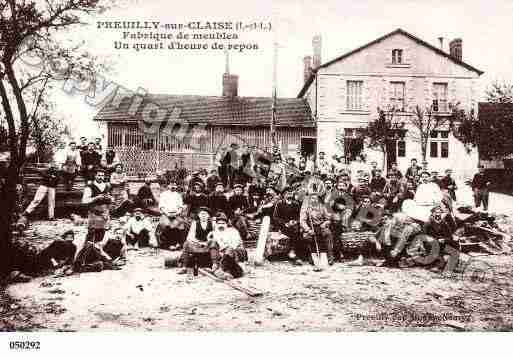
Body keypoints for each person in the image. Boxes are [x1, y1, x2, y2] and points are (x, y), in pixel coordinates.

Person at [8, 229, 77, 282]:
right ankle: (15, 272)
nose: (69, 242)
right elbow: (49, 255)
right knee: (30, 266)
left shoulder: (73, 247)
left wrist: (65, 267)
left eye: (71, 240)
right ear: (63, 239)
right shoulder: (57, 243)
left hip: (52, 264)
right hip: (43, 260)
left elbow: (71, 261)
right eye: (67, 240)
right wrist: (56, 266)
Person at [273, 187, 307, 265]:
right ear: (284, 195)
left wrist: (295, 221)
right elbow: (275, 217)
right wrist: (285, 223)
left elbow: (299, 216)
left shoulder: (296, 204)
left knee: (298, 231)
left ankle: (297, 253)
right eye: (288, 193)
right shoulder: (279, 204)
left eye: (291, 193)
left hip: (294, 225)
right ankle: (292, 253)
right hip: (282, 225)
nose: (290, 194)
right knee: (293, 231)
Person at [208, 212, 247, 279]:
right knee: (213, 242)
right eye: (219, 223)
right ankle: (215, 265)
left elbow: (234, 245)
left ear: (226, 224)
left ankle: (221, 269)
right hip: (224, 253)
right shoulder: (215, 233)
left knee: (229, 249)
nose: (221, 225)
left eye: (223, 223)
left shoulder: (233, 231)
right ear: (216, 224)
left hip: (238, 252)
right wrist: (209, 238)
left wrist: (223, 249)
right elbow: (214, 245)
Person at [179, 207, 214, 277]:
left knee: (214, 244)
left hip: (208, 243)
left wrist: (207, 242)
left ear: (208, 215)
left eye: (205, 214)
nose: (203, 215)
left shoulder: (212, 223)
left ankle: (213, 265)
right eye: (201, 214)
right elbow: (190, 236)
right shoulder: (195, 223)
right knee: (186, 243)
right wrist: (198, 242)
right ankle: (185, 266)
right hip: (197, 244)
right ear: (198, 215)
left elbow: (216, 235)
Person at [300, 193, 334, 265]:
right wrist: (308, 230)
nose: (314, 200)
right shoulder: (306, 209)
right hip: (310, 228)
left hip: (321, 226)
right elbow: (302, 221)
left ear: (318, 200)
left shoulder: (322, 207)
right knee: (307, 237)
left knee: (328, 233)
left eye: (315, 198)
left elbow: (328, 219)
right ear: (310, 200)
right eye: (312, 198)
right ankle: (311, 256)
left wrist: (325, 223)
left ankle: (330, 256)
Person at [82, 169, 113, 243]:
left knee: (102, 233)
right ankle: (87, 251)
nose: (100, 177)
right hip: (94, 213)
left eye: (102, 175)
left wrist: (110, 198)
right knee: (92, 234)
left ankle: (98, 251)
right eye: (99, 175)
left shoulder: (107, 186)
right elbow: (84, 200)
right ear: (95, 176)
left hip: (104, 213)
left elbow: (111, 199)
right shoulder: (90, 186)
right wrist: (96, 197)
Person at [158, 181, 187, 250]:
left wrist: (177, 213)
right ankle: (169, 244)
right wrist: (167, 213)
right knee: (167, 225)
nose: (173, 187)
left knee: (180, 224)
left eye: (174, 185)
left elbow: (180, 206)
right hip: (166, 213)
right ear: (168, 186)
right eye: (171, 185)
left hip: (176, 213)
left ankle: (178, 243)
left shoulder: (178, 195)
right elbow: (161, 206)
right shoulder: (163, 194)